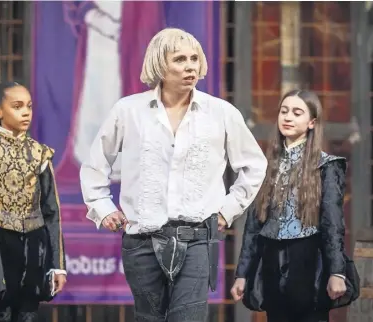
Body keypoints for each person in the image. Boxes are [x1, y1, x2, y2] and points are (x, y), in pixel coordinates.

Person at [80, 28, 267, 322]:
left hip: (197, 240)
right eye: (180, 59)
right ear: (159, 65)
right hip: (142, 240)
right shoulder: (128, 111)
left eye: (195, 58)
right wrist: (102, 208)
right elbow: (94, 164)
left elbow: (254, 165)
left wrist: (227, 211)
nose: (190, 66)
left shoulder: (221, 112)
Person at [230, 90, 348, 322]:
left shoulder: (326, 166)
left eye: (297, 112)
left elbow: (333, 224)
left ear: (312, 122)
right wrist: (242, 274)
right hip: (272, 259)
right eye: (284, 111)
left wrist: (337, 271)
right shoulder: (265, 166)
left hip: (308, 258)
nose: (288, 117)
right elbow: (253, 226)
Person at [0, 82, 66, 322]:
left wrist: (58, 264)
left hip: (34, 244)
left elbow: (52, 211)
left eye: (28, 106)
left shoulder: (41, 154)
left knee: (29, 313)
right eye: (17, 107)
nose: (26, 112)